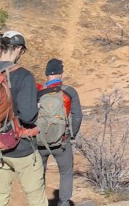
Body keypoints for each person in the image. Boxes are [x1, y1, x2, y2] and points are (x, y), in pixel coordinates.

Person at [0, 31, 45, 206]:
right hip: (22, 148)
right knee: (36, 199)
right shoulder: (23, 75)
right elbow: (28, 117)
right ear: (18, 49)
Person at [39, 58, 83, 206]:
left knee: (39, 174)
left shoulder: (38, 91)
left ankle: (39, 202)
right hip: (62, 141)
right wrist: (71, 135)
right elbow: (77, 116)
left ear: (47, 74)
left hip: (40, 141)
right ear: (60, 73)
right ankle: (63, 203)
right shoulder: (69, 92)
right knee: (65, 173)